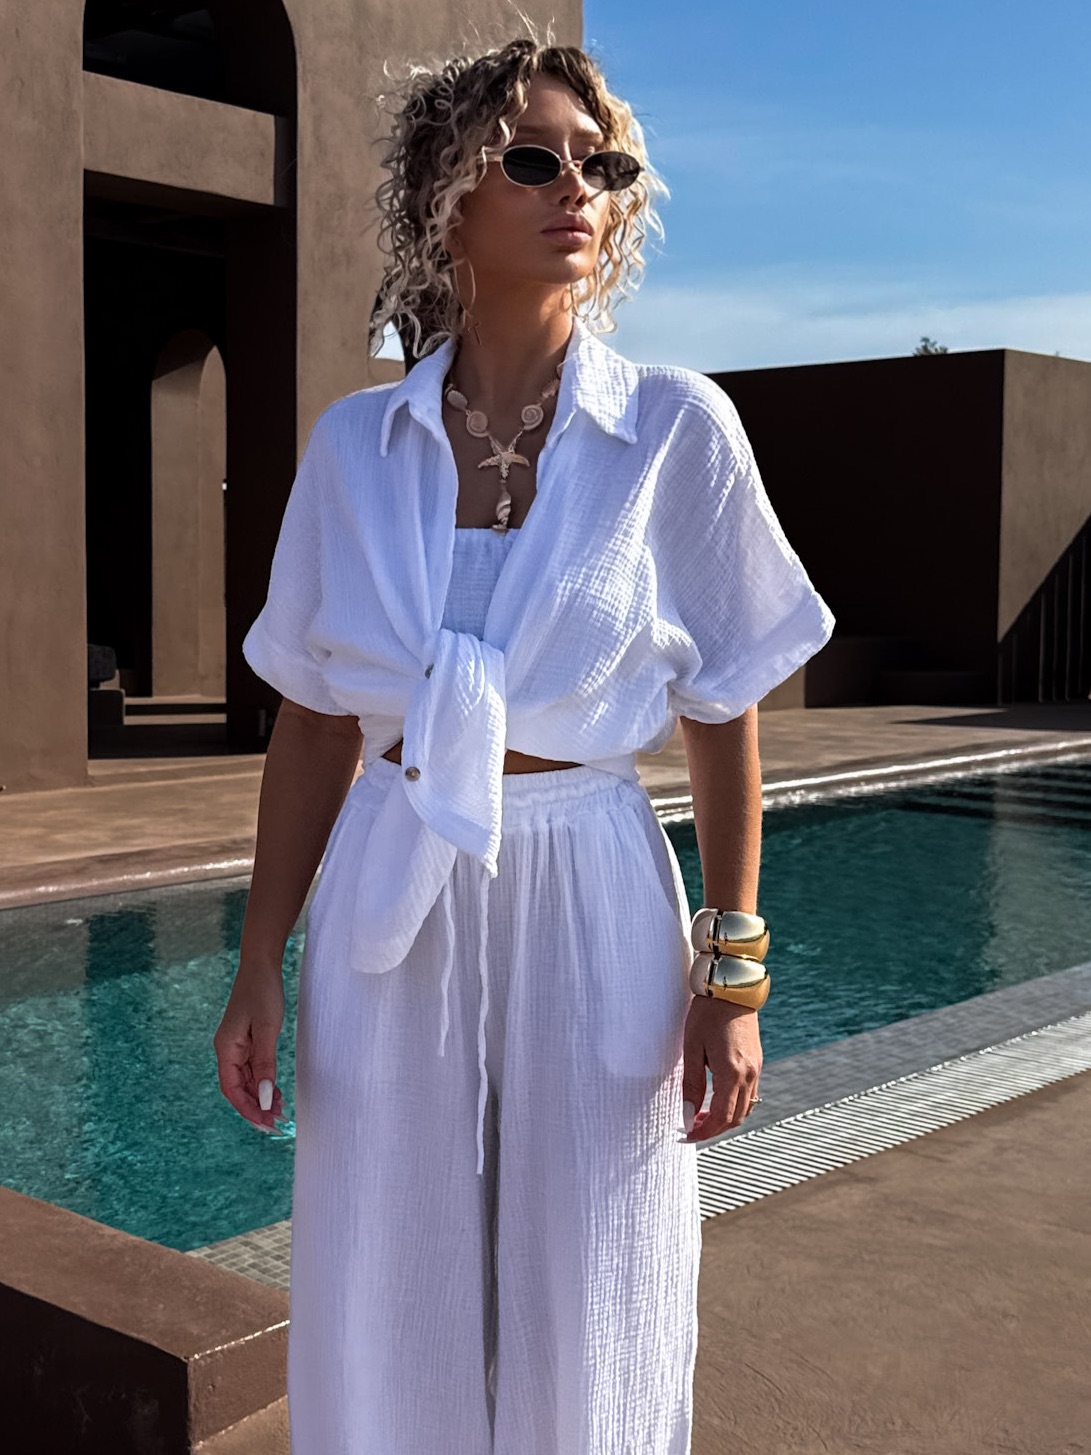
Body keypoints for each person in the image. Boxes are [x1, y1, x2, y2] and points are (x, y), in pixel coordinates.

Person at [214, 34, 834, 1455]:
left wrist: (732, 974)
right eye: (537, 161)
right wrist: (257, 960)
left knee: (600, 1268)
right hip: (392, 881)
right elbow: (314, 722)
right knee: (381, 1264)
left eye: (603, 168)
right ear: (449, 198)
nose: (579, 192)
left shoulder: (674, 430)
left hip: (590, 880)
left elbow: (723, 707)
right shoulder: (354, 449)